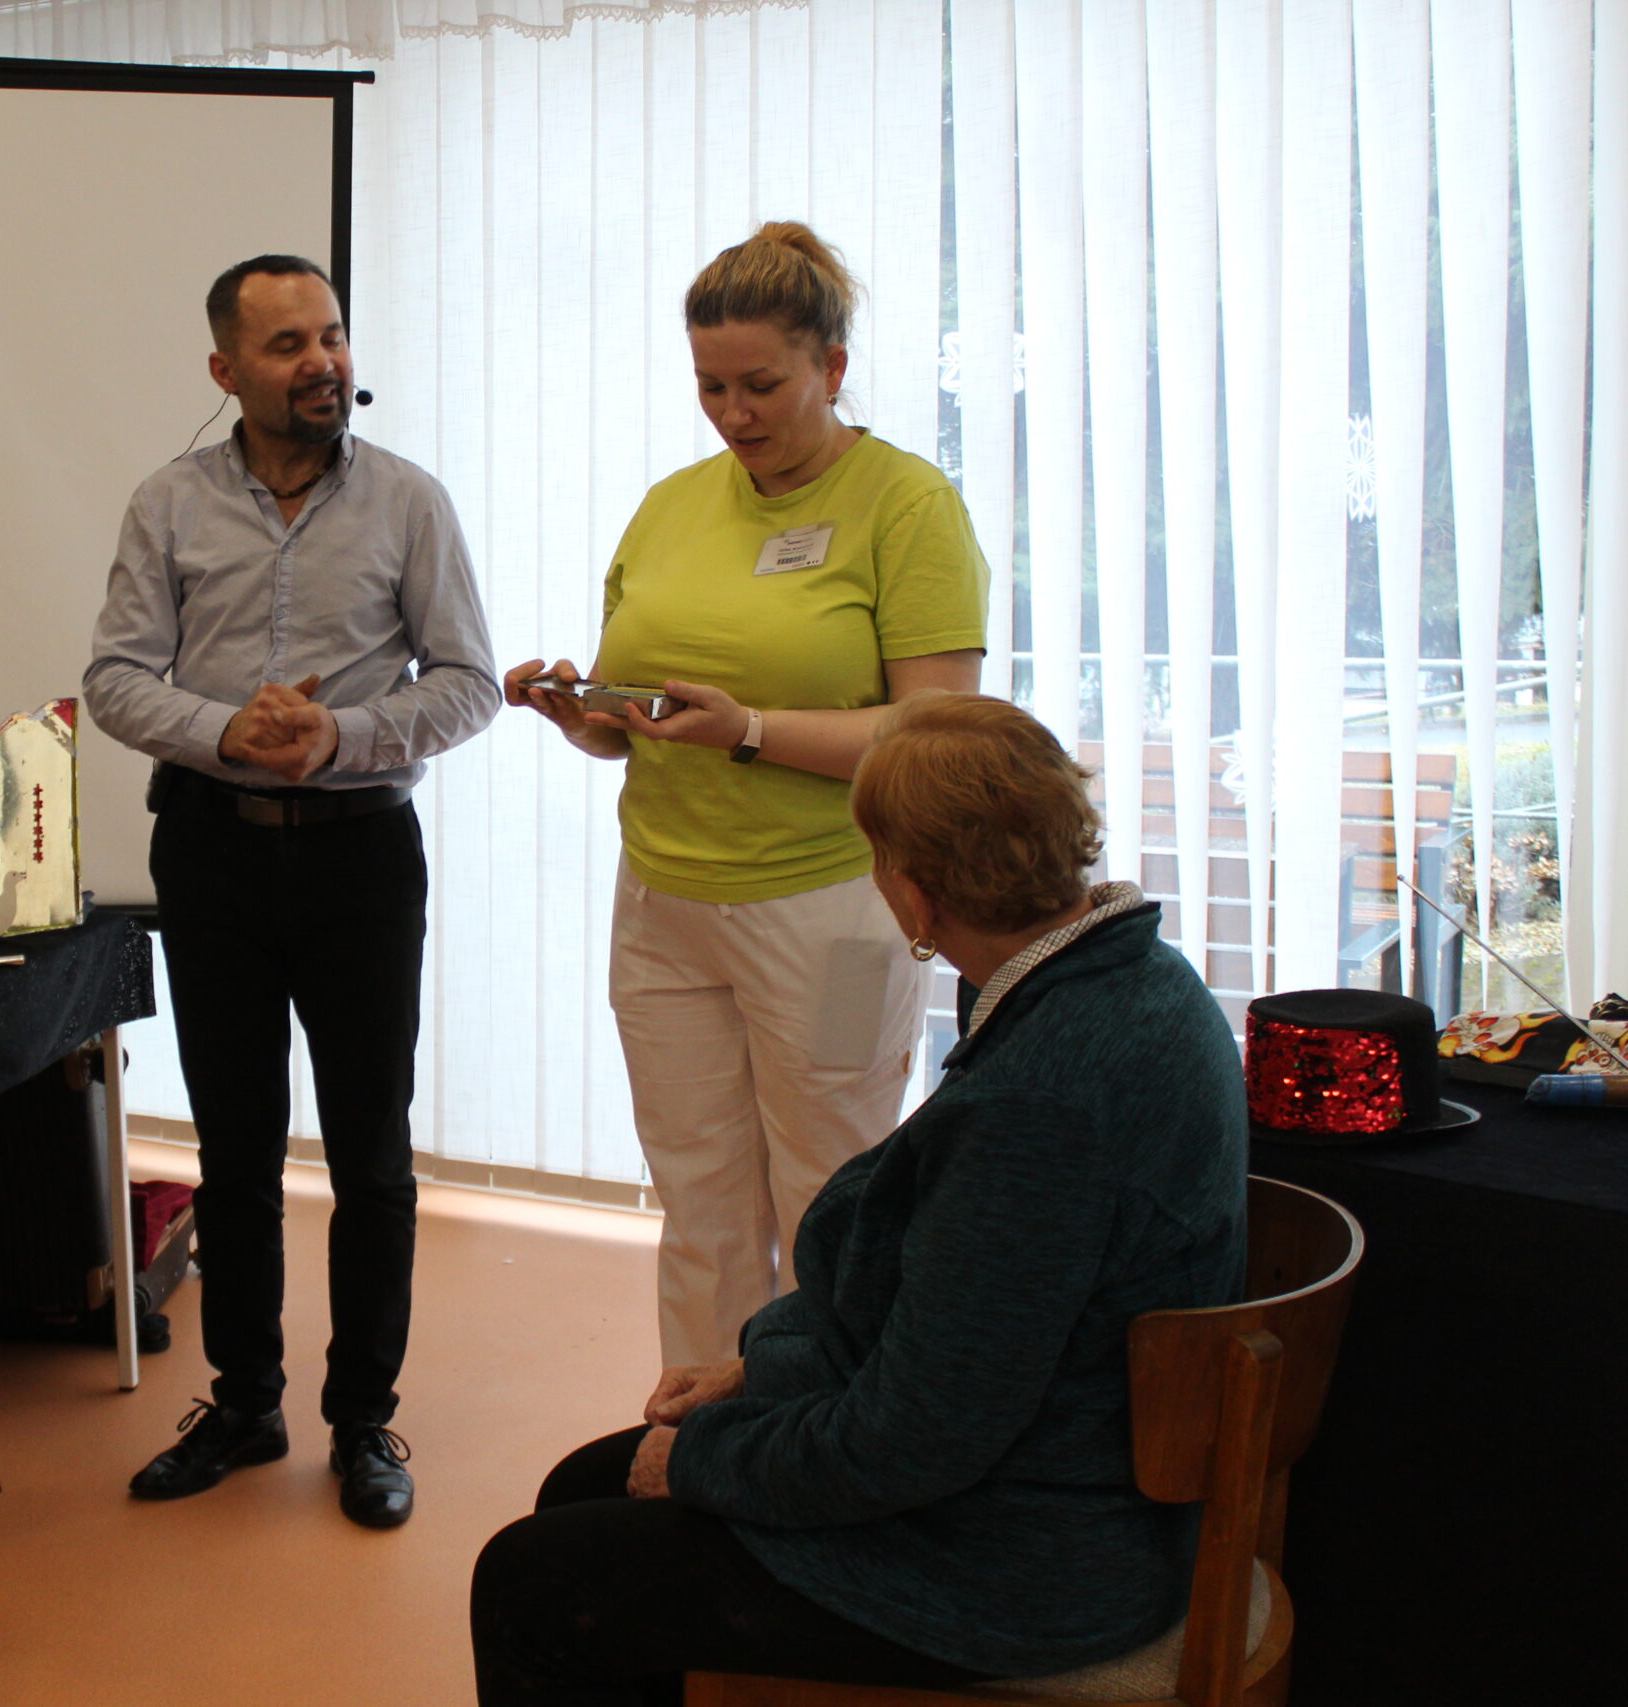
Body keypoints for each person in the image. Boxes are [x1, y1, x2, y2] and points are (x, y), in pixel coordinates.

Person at [468, 693, 1249, 1706]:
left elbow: (916, 1442)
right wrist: (760, 1371)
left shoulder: (1036, 1106)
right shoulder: (1144, 976)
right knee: (583, 1491)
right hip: (1062, 1484)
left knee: (530, 1585)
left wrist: (701, 1461)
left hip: (1022, 1564)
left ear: (914, 896)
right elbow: (962, 1323)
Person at [504, 221, 989, 1368]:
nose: (734, 412)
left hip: (838, 911)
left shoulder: (906, 505)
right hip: (663, 908)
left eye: (761, 384)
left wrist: (752, 732)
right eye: (710, 385)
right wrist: (586, 716)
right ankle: (704, 1435)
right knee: (699, 1198)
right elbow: (634, 729)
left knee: (834, 1194)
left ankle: (832, 1437)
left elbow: (933, 730)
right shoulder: (672, 505)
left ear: (832, 364)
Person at [85, 254, 498, 1528]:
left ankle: (362, 1420)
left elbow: (469, 683)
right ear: (225, 369)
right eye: (286, 345)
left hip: (360, 853)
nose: (322, 362)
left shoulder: (409, 501)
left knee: (370, 1155)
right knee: (235, 1147)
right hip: (209, 849)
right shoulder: (166, 503)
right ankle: (245, 1403)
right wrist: (226, 730)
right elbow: (114, 678)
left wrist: (341, 737)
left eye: (331, 336)